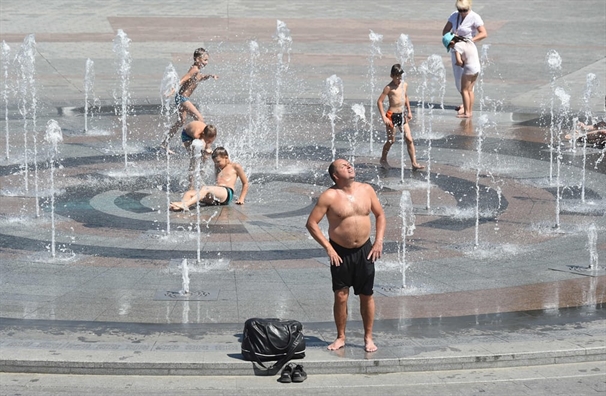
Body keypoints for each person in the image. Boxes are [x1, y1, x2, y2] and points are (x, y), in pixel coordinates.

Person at [306, 159, 386, 353]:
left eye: (349, 164)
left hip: (365, 250)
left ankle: (368, 337)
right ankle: (341, 337)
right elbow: (311, 223)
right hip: (340, 252)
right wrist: (329, 248)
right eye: (344, 166)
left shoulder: (366, 190)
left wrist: (378, 241)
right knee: (341, 296)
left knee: (367, 295)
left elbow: (380, 215)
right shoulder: (329, 196)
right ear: (335, 175)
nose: (350, 167)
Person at [160, 47, 218, 152]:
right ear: (197, 59)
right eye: (205, 60)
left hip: (181, 97)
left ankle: (165, 142)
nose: (206, 62)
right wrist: (172, 91)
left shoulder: (198, 71)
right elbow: (183, 79)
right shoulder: (194, 69)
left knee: (180, 121)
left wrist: (210, 76)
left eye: (207, 60)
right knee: (200, 119)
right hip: (182, 98)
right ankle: (202, 144)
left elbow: (200, 77)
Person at [441, 0, 487, 114]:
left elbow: (483, 33)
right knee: (459, 81)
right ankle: (465, 105)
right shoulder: (454, 15)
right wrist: (451, 37)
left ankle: (467, 108)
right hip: (456, 49)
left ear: (469, 7)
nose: (462, 13)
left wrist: (470, 40)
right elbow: (445, 30)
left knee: (467, 83)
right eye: (460, 10)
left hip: (468, 52)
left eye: (464, 10)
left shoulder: (475, 17)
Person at [376, 64, 424, 170]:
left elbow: (405, 97)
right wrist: (384, 117)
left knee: (409, 139)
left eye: (400, 77)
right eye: (396, 77)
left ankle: (414, 163)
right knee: (391, 140)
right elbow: (379, 101)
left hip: (401, 115)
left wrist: (409, 111)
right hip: (391, 116)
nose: (399, 79)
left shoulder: (404, 85)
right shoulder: (388, 88)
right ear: (391, 76)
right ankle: (383, 159)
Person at [170, 147, 249, 211]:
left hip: (226, 193)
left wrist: (241, 199)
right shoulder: (218, 166)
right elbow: (202, 162)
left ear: (226, 157)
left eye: (218, 162)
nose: (216, 164)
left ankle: (185, 204)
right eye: (215, 162)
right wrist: (206, 154)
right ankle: (179, 207)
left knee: (205, 188)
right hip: (216, 196)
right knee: (189, 193)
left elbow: (245, 183)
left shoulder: (235, 166)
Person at [442, 32, 480, 118]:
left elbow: (459, 61)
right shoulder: (468, 41)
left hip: (469, 69)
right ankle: (470, 111)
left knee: (464, 90)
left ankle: (467, 113)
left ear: (451, 42)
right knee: (470, 90)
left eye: (450, 47)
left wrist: (460, 64)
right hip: (477, 68)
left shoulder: (456, 46)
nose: (451, 48)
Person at [180, 120, 217, 189]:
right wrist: (205, 151)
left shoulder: (209, 133)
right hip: (187, 136)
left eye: (211, 141)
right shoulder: (196, 134)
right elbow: (198, 148)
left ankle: (200, 177)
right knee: (194, 159)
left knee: (205, 157)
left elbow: (207, 146)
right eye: (208, 140)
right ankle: (191, 185)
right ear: (203, 135)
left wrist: (207, 153)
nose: (209, 142)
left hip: (202, 135)